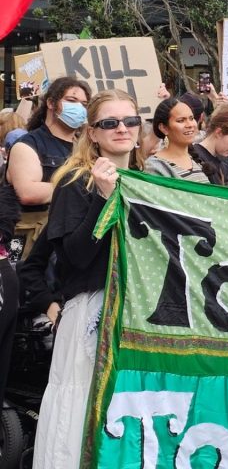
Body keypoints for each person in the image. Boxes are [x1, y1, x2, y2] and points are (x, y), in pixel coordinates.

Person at [33, 90, 145, 468]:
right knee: (83, 407)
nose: (122, 129)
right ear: (92, 133)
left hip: (137, 315)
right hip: (93, 312)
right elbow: (76, 257)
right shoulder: (73, 182)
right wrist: (103, 197)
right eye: (109, 123)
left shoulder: (148, 181)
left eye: (130, 121)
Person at [3, 77, 91, 259]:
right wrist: (84, 188)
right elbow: (28, 192)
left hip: (70, 239)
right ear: (51, 103)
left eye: (84, 104)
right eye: (72, 101)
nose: (80, 109)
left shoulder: (85, 147)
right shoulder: (27, 145)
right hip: (31, 242)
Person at [145, 98, 210, 183]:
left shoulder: (196, 161)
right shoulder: (155, 166)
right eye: (181, 120)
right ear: (164, 128)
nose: (190, 125)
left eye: (191, 118)